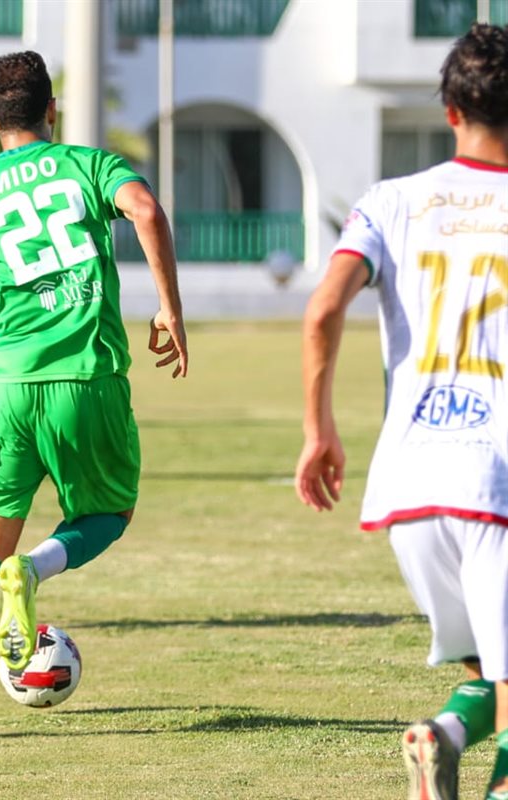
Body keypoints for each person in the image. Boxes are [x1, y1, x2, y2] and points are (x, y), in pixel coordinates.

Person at [0, 51, 188, 737]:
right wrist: (169, 308)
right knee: (108, 512)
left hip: (9, 391)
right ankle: (37, 566)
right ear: (51, 111)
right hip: (86, 380)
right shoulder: (88, 165)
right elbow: (145, 209)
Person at [294, 23, 507, 800]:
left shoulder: (388, 203)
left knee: (492, 666)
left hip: (412, 482)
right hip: (499, 478)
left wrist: (319, 430)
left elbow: (322, 313)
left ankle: (442, 735)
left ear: (450, 111)